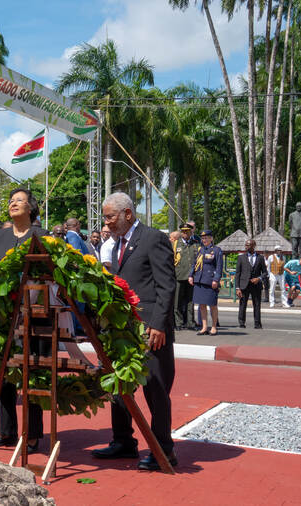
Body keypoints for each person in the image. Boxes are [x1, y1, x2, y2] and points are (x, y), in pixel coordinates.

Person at [91, 192, 176, 471]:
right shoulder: (112, 245)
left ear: (128, 213)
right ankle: (123, 441)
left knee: (156, 389)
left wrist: (159, 324)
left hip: (151, 329)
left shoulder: (153, 238)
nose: (106, 223)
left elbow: (166, 285)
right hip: (122, 328)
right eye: (105, 217)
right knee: (119, 386)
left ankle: (163, 449)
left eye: (110, 217)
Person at [0, 188, 47, 454]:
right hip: (2, 314)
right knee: (3, 374)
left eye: (19, 201)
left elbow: (48, 272)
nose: (12, 204)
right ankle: (7, 432)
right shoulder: (0, 236)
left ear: (30, 208)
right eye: (10, 201)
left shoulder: (42, 236)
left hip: (33, 314)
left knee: (31, 373)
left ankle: (31, 435)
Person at [188, 230, 223, 335]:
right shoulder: (200, 250)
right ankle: (204, 327)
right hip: (199, 280)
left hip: (210, 281)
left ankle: (213, 327)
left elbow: (219, 266)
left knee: (212, 305)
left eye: (206, 238)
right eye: (203, 238)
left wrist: (216, 279)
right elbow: (195, 264)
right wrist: (191, 275)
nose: (204, 240)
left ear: (211, 239)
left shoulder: (216, 250)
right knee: (201, 305)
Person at [235, 239, 268, 329]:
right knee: (242, 304)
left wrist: (259, 278)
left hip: (256, 285)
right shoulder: (241, 257)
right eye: (246, 245)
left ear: (254, 246)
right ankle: (241, 323)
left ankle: (257, 324)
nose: (246, 247)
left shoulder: (260, 257)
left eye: (248, 245)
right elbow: (237, 273)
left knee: (257, 304)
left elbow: (265, 273)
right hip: (243, 285)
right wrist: (237, 288)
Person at [174, 225, 198, 330]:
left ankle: (190, 323)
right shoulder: (175, 244)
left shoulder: (195, 244)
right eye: (183, 232)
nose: (185, 234)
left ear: (191, 233)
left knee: (190, 301)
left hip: (191, 277)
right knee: (177, 302)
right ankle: (178, 323)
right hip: (179, 276)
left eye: (187, 232)